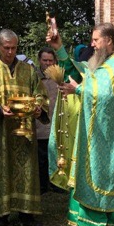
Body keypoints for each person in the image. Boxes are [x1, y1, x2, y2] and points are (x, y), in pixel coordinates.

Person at [47, 22, 114, 226]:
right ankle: (81, 217)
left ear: (109, 41)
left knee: (103, 172)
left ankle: (102, 218)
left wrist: (79, 91)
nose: (93, 44)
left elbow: (107, 96)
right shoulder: (99, 64)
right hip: (91, 129)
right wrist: (58, 47)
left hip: (107, 133)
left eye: (96, 40)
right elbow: (77, 71)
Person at [0, 29, 48, 226]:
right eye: (6, 47)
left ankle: (27, 213)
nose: (10, 52)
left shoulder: (28, 70)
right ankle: (2, 215)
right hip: (1, 131)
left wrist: (37, 107)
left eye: (14, 47)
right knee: (2, 168)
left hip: (25, 132)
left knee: (27, 169)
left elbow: (39, 93)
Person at [36, 48, 63, 193]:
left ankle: (56, 184)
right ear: (39, 60)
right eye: (44, 60)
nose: (47, 63)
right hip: (40, 124)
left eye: (50, 60)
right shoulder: (34, 76)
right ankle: (42, 186)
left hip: (57, 122)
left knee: (57, 156)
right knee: (41, 157)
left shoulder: (59, 75)